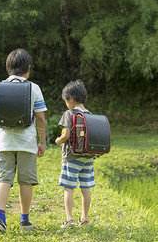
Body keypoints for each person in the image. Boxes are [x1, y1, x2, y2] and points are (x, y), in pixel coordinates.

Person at [0, 48, 47, 233]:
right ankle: (25, 221)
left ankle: (0, 217)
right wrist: (42, 141)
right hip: (26, 143)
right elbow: (41, 118)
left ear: (8, 68)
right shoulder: (33, 88)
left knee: (4, 179)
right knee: (25, 182)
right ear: (28, 68)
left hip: (3, 142)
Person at [55, 80, 94, 228]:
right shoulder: (90, 115)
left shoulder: (69, 114)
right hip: (87, 157)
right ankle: (84, 219)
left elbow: (66, 135)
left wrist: (58, 141)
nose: (66, 103)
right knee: (85, 188)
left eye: (66, 100)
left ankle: (69, 219)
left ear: (71, 98)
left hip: (71, 157)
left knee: (68, 187)